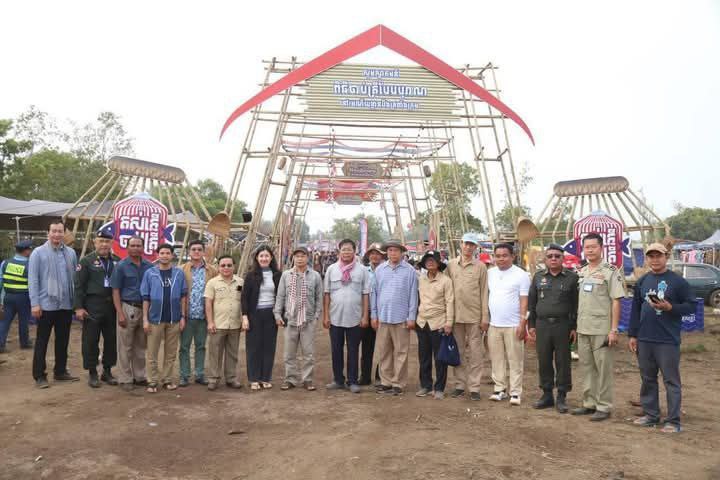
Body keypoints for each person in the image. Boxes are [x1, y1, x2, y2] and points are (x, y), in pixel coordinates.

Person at [629, 243, 694, 433]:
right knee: (647, 378)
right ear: (647, 259)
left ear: (666, 256)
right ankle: (651, 415)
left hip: (667, 340)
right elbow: (635, 309)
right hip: (645, 339)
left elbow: (691, 306)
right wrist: (633, 334)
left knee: (671, 381)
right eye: (651, 256)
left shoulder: (678, 282)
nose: (655, 259)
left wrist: (670, 307)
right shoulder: (643, 281)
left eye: (659, 256)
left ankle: (673, 421)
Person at [571, 233, 625, 421]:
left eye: (593, 246)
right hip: (583, 328)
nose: (590, 250)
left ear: (601, 248)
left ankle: (604, 406)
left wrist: (614, 330)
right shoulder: (581, 271)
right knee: (586, 368)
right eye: (587, 247)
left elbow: (616, 301)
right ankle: (589, 403)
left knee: (603, 370)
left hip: (602, 329)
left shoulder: (611, 271)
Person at [527, 244, 579, 413]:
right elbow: (532, 303)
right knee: (544, 360)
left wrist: (574, 327)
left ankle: (562, 396)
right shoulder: (538, 277)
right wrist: (531, 325)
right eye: (550, 256)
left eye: (557, 256)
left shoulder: (572, 278)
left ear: (563, 258)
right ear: (545, 259)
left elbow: (576, 305)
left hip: (563, 326)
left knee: (563, 361)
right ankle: (547, 394)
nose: (553, 259)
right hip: (542, 325)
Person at [29, 220, 79, 388]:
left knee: (63, 340)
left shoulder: (71, 253)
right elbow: (33, 280)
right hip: (46, 305)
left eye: (60, 231)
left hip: (66, 304)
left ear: (64, 233)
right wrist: (35, 304)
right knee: (42, 341)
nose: (57, 234)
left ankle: (60, 371)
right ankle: (39, 376)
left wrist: (75, 302)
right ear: (48, 233)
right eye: (54, 231)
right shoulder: (38, 253)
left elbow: (74, 278)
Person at [445, 232, 490, 401]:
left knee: (476, 353)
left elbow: (484, 292)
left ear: (476, 247)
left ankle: (474, 387)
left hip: (474, 317)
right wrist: (447, 317)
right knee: (458, 352)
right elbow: (446, 291)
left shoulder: (481, 267)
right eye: (466, 243)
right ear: (461, 244)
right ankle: (459, 385)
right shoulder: (451, 265)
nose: (468, 247)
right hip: (456, 316)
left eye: (472, 245)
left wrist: (484, 317)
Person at [73, 230, 120, 388]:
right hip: (92, 305)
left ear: (111, 243)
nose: (104, 244)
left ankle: (107, 371)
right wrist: (78, 307)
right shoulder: (86, 261)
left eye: (107, 241)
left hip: (112, 306)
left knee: (111, 339)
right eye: (101, 241)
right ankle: (92, 372)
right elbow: (78, 286)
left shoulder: (117, 261)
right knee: (91, 340)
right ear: (95, 242)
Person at [371, 239, 418, 395]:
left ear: (402, 252)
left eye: (396, 250)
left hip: (402, 318)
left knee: (401, 352)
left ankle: (398, 383)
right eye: (390, 250)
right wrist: (374, 315)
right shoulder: (380, 270)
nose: (393, 253)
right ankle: (386, 381)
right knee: (384, 352)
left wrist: (411, 317)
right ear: (387, 252)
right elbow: (374, 294)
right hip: (383, 317)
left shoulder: (410, 271)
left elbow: (413, 296)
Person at [323, 239, 369, 393]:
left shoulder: (362, 270)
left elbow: (365, 294)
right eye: (344, 249)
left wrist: (365, 316)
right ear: (339, 251)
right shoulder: (331, 269)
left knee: (353, 350)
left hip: (355, 318)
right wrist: (326, 315)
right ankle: (338, 380)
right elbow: (327, 294)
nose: (346, 252)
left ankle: (352, 381)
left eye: (349, 249)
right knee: (336, 350)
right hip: (335, 317)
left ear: (354, 251)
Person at [140, 243, 188, 393]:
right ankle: (152, 381)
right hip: (155, 318)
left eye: (168, 253)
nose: (165, 256)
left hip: (174, 318)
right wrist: (145, 319)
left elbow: (183, 296)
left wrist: (182, 316)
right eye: (162, 253)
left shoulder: (179, 273)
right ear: (157, 255)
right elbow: (145, 298)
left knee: (170, 352)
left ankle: (167, 380)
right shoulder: (150, 273)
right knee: (152, 352)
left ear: (172, 255)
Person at [487, 243, 530, 406]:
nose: (501, 259)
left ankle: (515, 392)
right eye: (498, 256)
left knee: (515, 360)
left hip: (513, 325)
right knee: (496, 359)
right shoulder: (490, 273)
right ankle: (499, 389)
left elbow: (524, 300)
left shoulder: (521, 275)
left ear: (513, 256)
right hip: (494, 324)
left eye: (505, 255)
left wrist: (522, 323)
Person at [275, 246, 323, 391]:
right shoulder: (286, 275)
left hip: (308, 320)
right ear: (293, 258)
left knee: (308, 354)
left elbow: (319, 298)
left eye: (303, 256)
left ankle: (307, 380)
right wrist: (277, 314)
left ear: (307, 258)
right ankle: (290, 379)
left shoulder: (315, 276)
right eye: (297, 256)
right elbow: (280, 296)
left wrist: (316, 317)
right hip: (290, 320)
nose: (300, 259)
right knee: (289, 354)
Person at [111, 236, 153, 391]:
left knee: (141, 346)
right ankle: (125, 378)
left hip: (145, 308)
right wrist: (120, 313)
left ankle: (139, 376)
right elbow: (115, 291)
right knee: (125, 346)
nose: (135, 248)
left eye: (138, 245)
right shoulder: (121, 266)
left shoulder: (149, 266)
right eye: (132, 245)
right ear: (127, 247)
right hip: (128, 307)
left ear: (143, 247)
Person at [241, 245, 281, 391]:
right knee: (254, 347)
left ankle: (265, 378)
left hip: (271, 315)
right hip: (254, 315)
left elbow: (281, 295)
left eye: (266, 256)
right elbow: (244, 297)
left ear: (271, 258)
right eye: (261, 256)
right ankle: (254, 378)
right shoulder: (251, 275)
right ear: (257, 258)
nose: (264, 258)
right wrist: (245, 316)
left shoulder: (277, 275)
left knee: (269, 347)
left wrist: (280, 315)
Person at [415, 250, 454, 400]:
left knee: (440, 358)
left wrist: (449, 323)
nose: (430, 262)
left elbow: (450, 302)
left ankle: (439, 388)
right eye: (427, 260)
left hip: (439, 323)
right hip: (422, 322)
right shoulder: (421, 279)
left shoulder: (446, 281)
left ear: (438, 263)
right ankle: (426, 385)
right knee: (423, 356)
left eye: (433, 260)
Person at [179, 240, 218, 387]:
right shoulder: (181, 269)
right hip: (187, 315)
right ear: (189, 252)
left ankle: (199, 374)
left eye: (199, 249)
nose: (196, 252)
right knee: (184, 347)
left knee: (201, 346)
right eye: (193, 249)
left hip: (204, 315)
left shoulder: (212, 270)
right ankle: (184, 375)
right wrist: (181, 315)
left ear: (203, 252)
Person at [204, 255, 244, 391]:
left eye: (229, 265)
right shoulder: (212, 283)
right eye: (223, 265)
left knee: (232, 353)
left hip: (234, 324)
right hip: (218, 324)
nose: (226, 268)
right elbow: (208, 303)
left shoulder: (240, 282)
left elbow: (243, 302)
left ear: (234, 266)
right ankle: (213, 379)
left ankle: (231, 378)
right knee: (215, 353)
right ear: (218, 267)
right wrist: (210, 322)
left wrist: (243, 319)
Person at [0, 240, 34, 353]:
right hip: (23, 297)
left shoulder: (5, 263)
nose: (30, 251)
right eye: (30, 249)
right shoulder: (29, 265)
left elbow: (0, 281)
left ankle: (0, 344)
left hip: (8, 296)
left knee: (5, 321)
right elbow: (33, 284)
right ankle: (24, 343)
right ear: (25, 251)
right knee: (23, 321)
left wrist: (1, 300)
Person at [359, 242, 385, 386]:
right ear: (368, 255)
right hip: (366, 313)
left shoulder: (386, 270)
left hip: (383, 314)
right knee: (366, 347)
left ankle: (380, 376)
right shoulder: (363, 271)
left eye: (378, 254)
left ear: (382, 256)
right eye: (372, 253)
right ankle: (365, 376)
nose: (375, 256)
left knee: (383, 346)